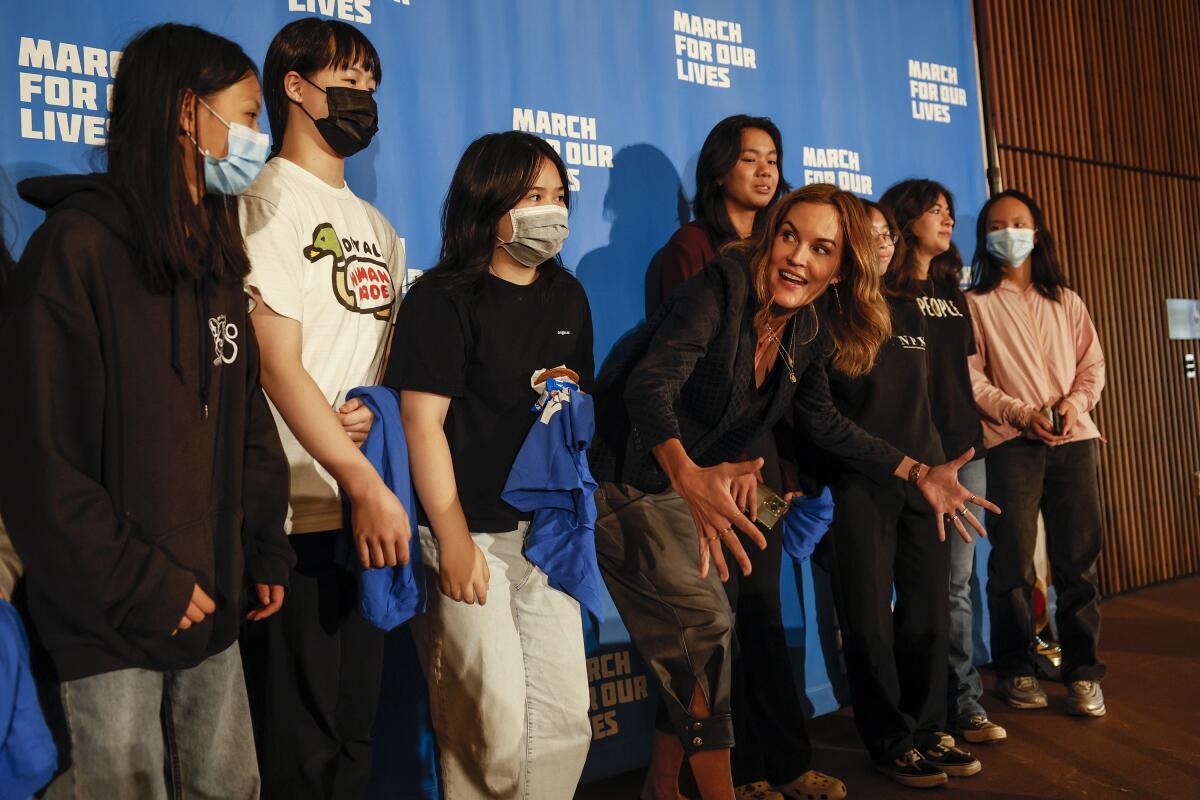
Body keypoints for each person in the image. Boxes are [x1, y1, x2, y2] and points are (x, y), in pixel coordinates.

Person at [589, 184, 997, 800]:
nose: (798, 257)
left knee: (706, 639)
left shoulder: (805, 329)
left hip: (703, 483)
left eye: (821, 248)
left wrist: (916, 471)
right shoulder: (721, 287)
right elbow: (650, 387)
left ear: (839, 271)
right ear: (768, 237)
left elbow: (823, 421)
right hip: (632, 478)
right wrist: (690, 477)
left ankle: (662, 787)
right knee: (705, 629)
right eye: (788, 236)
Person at [0, 23, 292, 797]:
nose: (259, 137)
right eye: (251, 113)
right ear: (186, 114)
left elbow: (246, 423)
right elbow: (40, 462)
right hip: (110, 622)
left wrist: (263, 548)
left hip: (215, 606)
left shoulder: (216, 255)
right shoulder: (75, 251)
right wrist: (144, 582)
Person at [384, 131, 595, 799]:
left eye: (558, 196)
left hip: (545, 536)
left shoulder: (569, 296)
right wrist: (449, 536)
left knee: (567, 722)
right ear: (489, 200)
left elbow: (570, 416)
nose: (551, 211)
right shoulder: (443, 299)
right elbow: (422, 425)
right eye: (533, 195)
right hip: (464, 529)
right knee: (492, 726)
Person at [237, 17, 410, 798]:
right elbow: (275, 366)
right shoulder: (266, 202)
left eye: (371, 84)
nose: (363, 98)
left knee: (354, 734)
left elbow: (386, 370)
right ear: (295, 88)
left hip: (362, 515)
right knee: (296, 747)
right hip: (291, 515)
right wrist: (356, 476)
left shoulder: (381, 229)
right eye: (346, 80)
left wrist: (379, 418)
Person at [646, 115, 841, 800]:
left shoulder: (802, 277)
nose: (763, 170)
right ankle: (734, 776)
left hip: (759, 469)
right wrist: (693, 479)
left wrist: (785, 476)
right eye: (749, 157)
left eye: (773, 159)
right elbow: (674, 378)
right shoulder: (694, 252)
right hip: (692, 468)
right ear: (719, 168)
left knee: (761, 617)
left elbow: (799, 400)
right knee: (710, 631)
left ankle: (784, 763)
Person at [806, 198, 982, 789]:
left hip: (927, 485)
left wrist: (940, 470)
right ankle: (889, 740)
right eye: (871, 234)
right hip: (859, 486)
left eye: (888, 234)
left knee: (928, 611)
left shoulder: (910, 309)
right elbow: (822, 415)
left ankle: (931, 729)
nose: (885, 244)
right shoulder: (821, 314)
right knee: (868, 623)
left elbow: (928, 403)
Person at [967, 189, 1107, 717]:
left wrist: (1072, 406)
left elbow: (1092, 366)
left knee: (1078, 563)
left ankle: (1083, 672)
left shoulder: (1066, 300)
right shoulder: (974, 304)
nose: (1010, 233)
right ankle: (1015, 668)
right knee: (1011, 565)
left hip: (1076, 442)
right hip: (1010, 446)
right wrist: (1020, 413)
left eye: (1019, 222)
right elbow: (972, 378)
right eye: (997, 225)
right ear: (984, 238)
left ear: (1037, 230)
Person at [878, 181, 1005, 744]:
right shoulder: (888, 288)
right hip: (918, 459)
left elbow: (964, 375)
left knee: (958, 583)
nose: (947, 219)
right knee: (932, 588)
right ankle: (931, 709)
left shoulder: (953, 288)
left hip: (965, 450)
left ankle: (963, 702)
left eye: (950, 210)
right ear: (906, 220)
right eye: (934, 210)